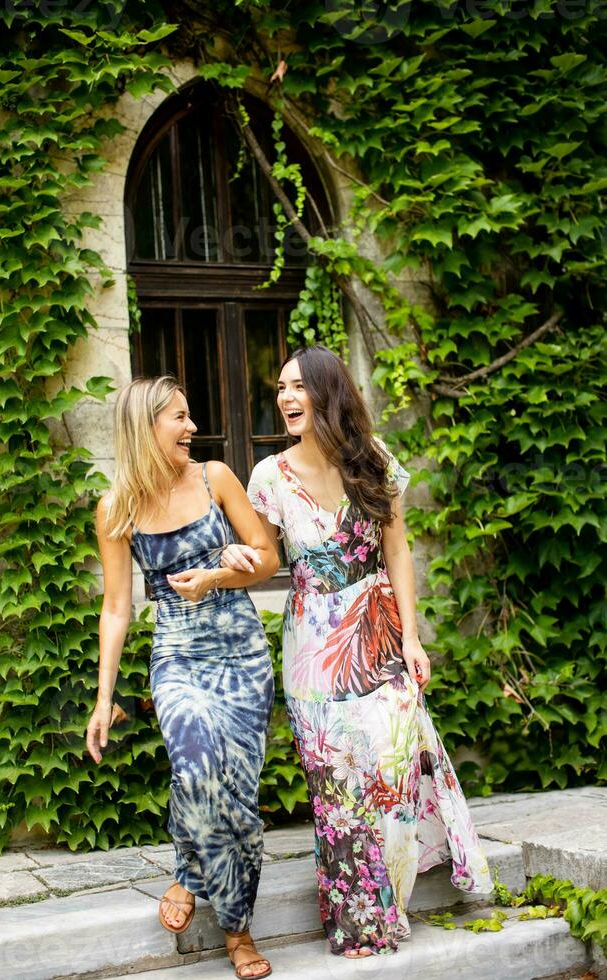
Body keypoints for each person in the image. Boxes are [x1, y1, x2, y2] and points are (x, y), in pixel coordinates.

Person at [221, 344, 493, 958]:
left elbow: (398, 552)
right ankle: (358, 923)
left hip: (378, 629)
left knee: (395, 763)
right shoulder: (268, 476)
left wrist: (412, 636)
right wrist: (227, 566)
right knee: (340, 784)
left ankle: (390, 900)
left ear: (327, 391)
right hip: (314, 645)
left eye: (298, 387)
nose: (286, 398)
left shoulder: (372, 460)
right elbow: (265, 560)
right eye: (281, 389)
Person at [85, 376, 278, 980]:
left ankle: (196, 879)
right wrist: (103, 697)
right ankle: (238, 932)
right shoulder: (115, 508)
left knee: (238, 795)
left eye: (190, 416)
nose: (192, 428)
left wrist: (223, 573)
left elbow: (268, 556)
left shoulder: (215, 478)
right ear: (146, 428)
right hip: (178, 658)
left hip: (242, 656)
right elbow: (117, 607)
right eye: (179, 417)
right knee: (194, 768)